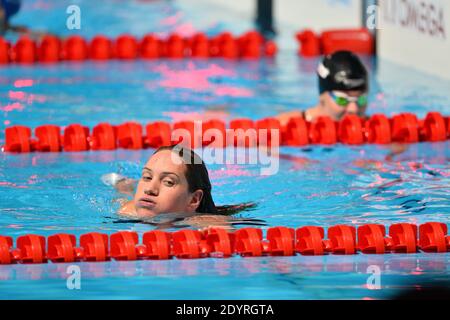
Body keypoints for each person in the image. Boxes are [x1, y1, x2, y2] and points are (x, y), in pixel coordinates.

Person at [103, 145, 259, 229]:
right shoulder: (126, 211)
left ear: (194, 199)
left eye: (169, 182)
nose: (150, 189)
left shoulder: (206, 222)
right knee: (123, 196)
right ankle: (124, 185)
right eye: (147, 177)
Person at [277, 50, 369, 125]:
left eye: (361, 99)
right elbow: (264, 140)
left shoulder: (373, 126)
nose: (353, 109)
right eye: (342, 99)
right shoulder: (282, 124)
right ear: (322, 96)